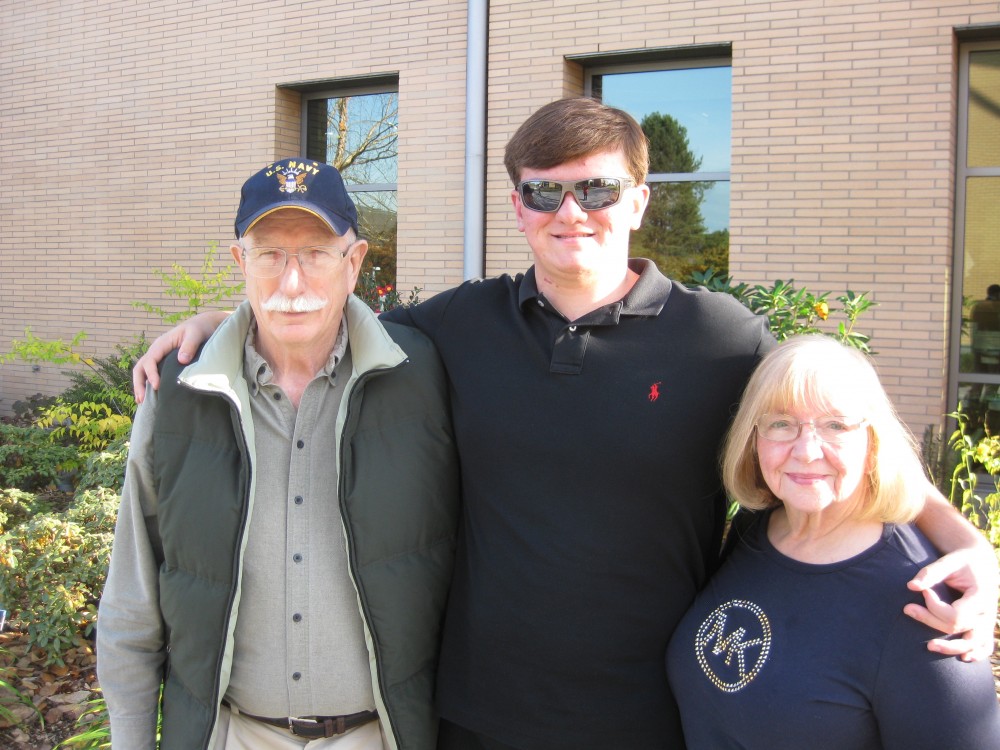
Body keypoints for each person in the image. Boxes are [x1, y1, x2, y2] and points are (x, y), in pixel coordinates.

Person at [131, 100, 998, 750]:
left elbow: (836, 439)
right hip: (473, 717)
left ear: (639, 201)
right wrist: (225, 318)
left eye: (596, 187)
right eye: (543, 191)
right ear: (516, 207)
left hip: (649, 716)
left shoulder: (719, 338)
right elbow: (315, 310)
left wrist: (974, 550)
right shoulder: (457, 327)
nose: (569, 210)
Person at [97, 158, 460, 750]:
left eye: (316, 253)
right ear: (241, 262)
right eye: (270, 255)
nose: (293, 283)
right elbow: (132, 609)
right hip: (233, 736)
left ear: (355, 263)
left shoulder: (426, 378)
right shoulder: (178, 396)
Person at [666, 335, 1000, 749]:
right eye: (781, 423)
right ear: (754, 439)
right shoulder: (754, 532)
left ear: (873, 441)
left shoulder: (924, 605)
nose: (806, 451)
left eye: (836, 425)